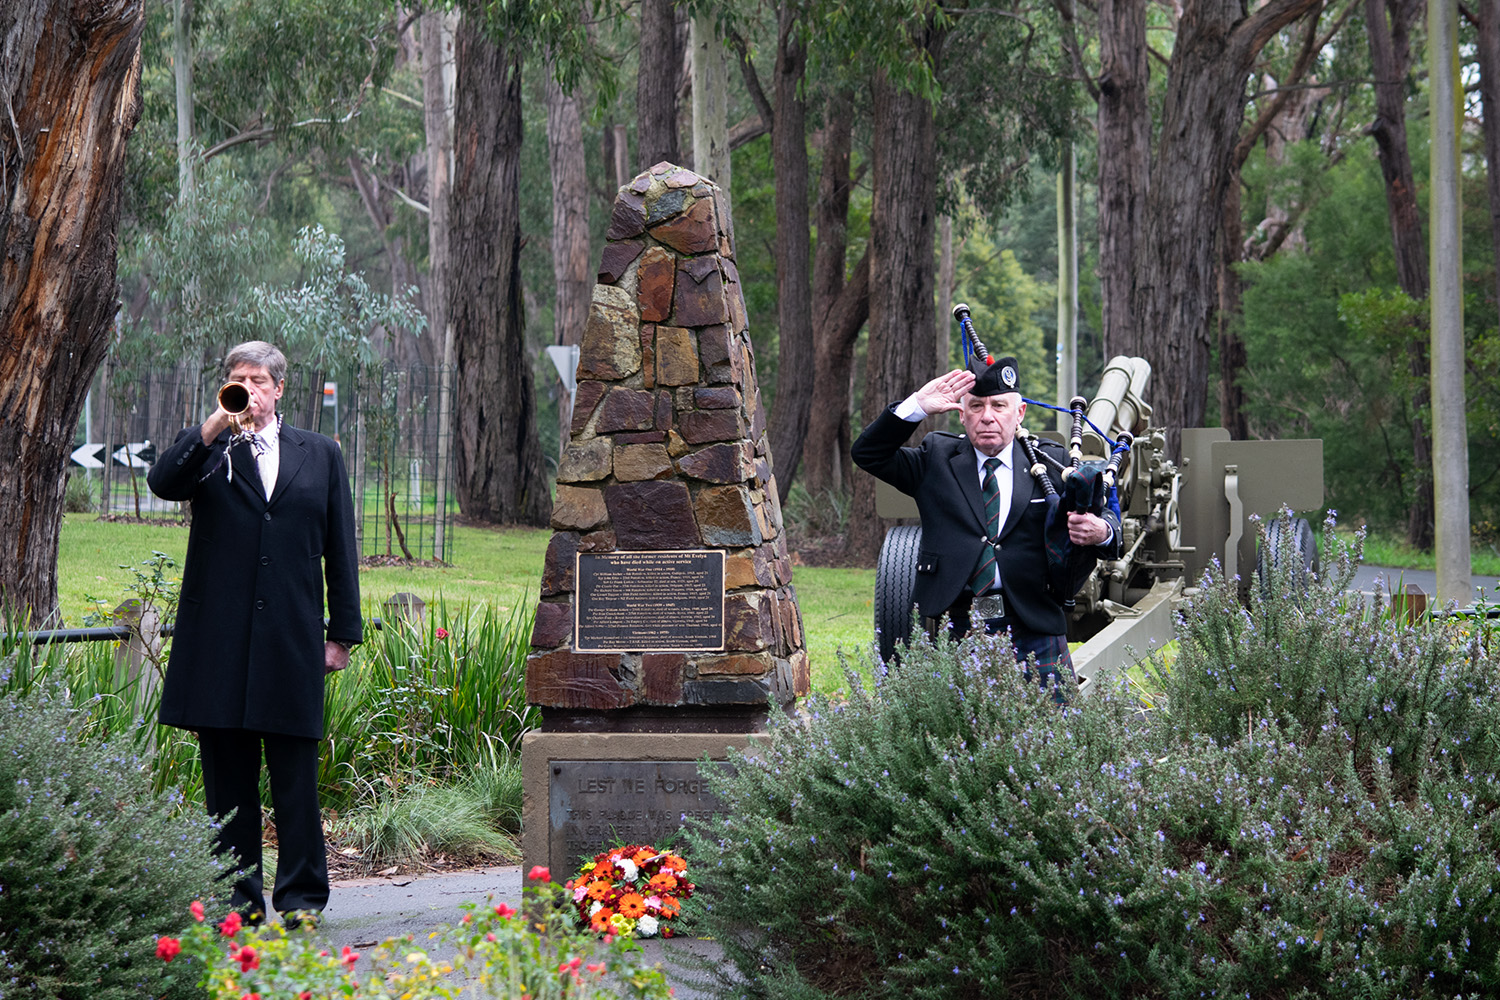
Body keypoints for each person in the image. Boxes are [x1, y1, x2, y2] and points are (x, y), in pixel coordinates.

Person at [148, 340, 362, 923]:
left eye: (256, 380)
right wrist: (218, 420)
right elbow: (164, 482)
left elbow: (341, 548)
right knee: (228, 786)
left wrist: (341, 634)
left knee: (295, 779)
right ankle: (237, 904)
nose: (248, 388)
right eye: (237, 379)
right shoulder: (212, 451)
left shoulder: (318, 454)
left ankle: (301, 901)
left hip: (291, 642)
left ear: (279, 388)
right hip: (218, 645)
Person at [851, 356, 1119, 699]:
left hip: (1034, 624)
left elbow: (1110, 527)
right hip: (957, 625)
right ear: (962, 415)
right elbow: (868, 453)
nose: (987, 416)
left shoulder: (1052, 463)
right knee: (958, 743)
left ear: (1019, 413)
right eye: (976, 406)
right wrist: (916, 406)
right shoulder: (936, 458)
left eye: (998, 405)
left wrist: (1101, 531)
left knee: (1055, 739)